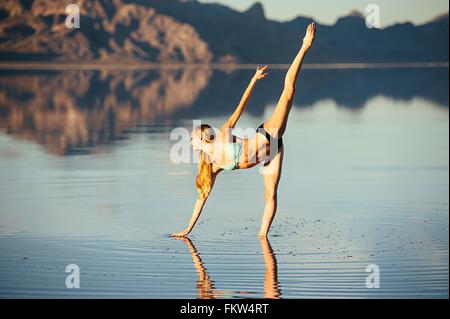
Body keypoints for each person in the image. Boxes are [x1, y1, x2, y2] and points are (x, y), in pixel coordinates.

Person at [172, 23, 316, 238]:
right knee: (270, 195)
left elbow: (240, 107)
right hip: (272, 152)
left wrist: (252, 80)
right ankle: (263, 237)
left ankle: (304, 46)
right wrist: (187, 230)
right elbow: (200, 200)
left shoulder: (223, 136)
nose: (190, 143)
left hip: (268, 134)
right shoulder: (211, 166)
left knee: (288, 90)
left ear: (202, 136)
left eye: (192, 138)